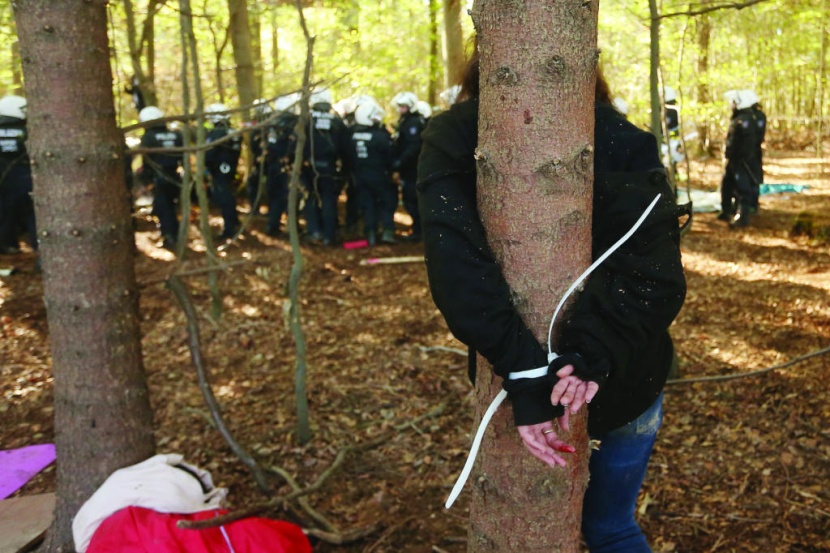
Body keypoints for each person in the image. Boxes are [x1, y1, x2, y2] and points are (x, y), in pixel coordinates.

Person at [417, 50, 687, 551]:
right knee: (611, 529)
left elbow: (653, 269)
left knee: (610, 527)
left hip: (625, 381)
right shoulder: (459, 138)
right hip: (625, 374)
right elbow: (455, 259)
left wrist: (576, 360)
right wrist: (532, 369)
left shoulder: (620, 139)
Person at [301, 88, 350, 246]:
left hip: (309, 167)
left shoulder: (306, 121)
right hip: (329, 168)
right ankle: (329, 235)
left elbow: (297, 144)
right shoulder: (337, 122)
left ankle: (314, 232)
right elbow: (346, 149)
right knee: (329, 199)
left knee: (311, 197)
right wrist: (343, 171)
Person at [348, 100, 396, 246]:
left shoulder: (352, 135)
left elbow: (347, 155)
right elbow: (390, 156)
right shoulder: (380, 136)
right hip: (380, 176)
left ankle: (371, 234)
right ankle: (387, 231)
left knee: (368, 205)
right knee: (387, 202)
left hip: (360, 177)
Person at [138, 105, 184, 250]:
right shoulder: (176, 135)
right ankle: (172, 234)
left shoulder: (148, 138)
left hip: (159, 179)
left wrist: (147, 181)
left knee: (164, 208)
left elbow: (146, 161)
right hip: (175, 177)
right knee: (167, 207)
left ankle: (170, 237)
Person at [0, 94, 36, 255]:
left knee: (5, 215)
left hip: (4, 182)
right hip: (27, 181)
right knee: (33, 216)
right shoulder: (29, 130)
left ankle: (7, 245)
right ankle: (39, 249)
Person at [719, 90, 759, 227]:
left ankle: (742, 217)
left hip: (740, 161)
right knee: (727, 185)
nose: (732, 104)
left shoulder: (746, 119)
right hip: (733, 160)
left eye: (734, 102)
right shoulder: (739, 118)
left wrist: (741, 159)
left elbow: (748, 143)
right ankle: (726, 211)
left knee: (743, 189)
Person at [204, 103, 242, 241]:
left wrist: (206, 167)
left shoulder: (216, 134)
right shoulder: (233, 131)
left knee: (224, 198)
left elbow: (209, 154)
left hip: (219, 171)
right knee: (228, 195)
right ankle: (235, 221)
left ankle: (230, 228)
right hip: (230, 169)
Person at [392, 91, 426, 241]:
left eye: (404, 107)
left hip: (413, 168)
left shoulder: (414, 123)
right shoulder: (404, 122)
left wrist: (400, 162)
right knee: (409, 199)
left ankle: (419, 232)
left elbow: (413, 147)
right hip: (407, 168)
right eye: (400, 107)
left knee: (413, 199)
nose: (401, 110)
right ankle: (418, 230)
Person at [264, 95, 298, 237]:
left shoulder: (271, 123)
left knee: (275, 196)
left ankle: (273, 225)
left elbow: (268, 145)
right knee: (289, 196)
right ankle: (291, 227)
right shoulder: (294, 123)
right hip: (288, 166)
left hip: (273, 165)